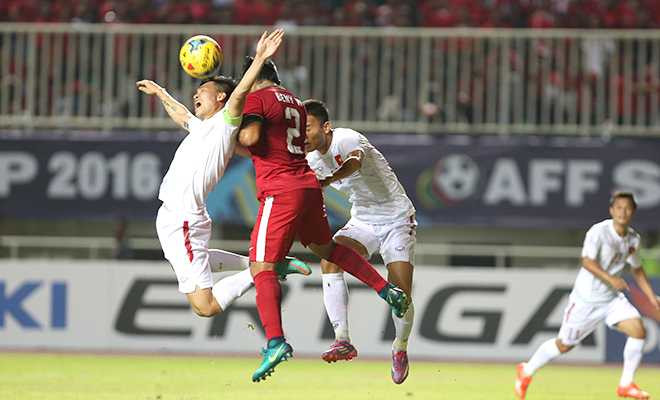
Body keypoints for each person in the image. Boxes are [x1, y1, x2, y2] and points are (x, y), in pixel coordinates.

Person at [237, 57, 410, 383]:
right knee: (327, 252)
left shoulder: (261, 101)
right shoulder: (295, 107)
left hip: (387, 214)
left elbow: (250, 139)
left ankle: (275, 341)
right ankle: (373, 303)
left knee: (261, 265)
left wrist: (226, 134)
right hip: (322, 194)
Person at [135, 30, 309, 324]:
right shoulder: (204, 127)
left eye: (202, 90)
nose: (195, 94)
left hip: (182, 217)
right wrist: (160, 93)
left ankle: (262, 269)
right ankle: (263, 265)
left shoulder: (226, 124)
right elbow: (182, 115)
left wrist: (260, 58)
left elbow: (239, 93)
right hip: (178, 216)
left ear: (220, 97)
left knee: (205, 306)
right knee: (199, 260)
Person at [303, 99, 416, 384]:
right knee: (329, 260)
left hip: (397, 219)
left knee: (401, 296)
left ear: (326, 127)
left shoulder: (346, 138)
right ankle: (342, 339)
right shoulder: (310, 161)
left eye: (308, 127)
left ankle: (400, 347)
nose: (303, 134)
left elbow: (354, 163)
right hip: (363, 220)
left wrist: (328, 180)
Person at [515, 192, 659, 400]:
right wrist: (611, 279)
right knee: (564, 345)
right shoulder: (599, 232)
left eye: (627, 208)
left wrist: (651, 296)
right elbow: (587, 261)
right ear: (611, 210)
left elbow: (637, 269)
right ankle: (526, 371)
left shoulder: (633, 239)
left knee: (638, 330)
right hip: (587, 300)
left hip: (611, 299)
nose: (623, 212)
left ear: (633, 211)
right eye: (618, 208)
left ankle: (626, 385)